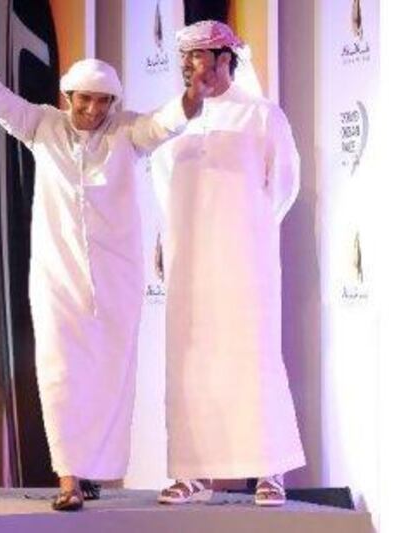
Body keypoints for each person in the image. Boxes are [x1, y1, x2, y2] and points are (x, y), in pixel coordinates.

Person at [0, 7, 211, 511]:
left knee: (107, 376)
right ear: (67, 98)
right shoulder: (42, 125)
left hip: (116, 278)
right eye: (85, 101)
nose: (93, 111)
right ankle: (69, 478)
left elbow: (167, 122)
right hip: (56, 276)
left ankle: (95, 469)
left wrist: (193, 95)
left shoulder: (128, 132)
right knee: (59, 372)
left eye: (103, 102)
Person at [152, 20, 305, 507]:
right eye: (187, 59)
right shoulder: (172, 118)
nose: (193, 68)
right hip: (188, 260)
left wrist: (247, 232)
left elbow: (282, 186)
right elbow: (161, 187)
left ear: (225, 60)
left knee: (251, 357)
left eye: (202, 58)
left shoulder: (262, 116)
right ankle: (192, 471)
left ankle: (269, 469)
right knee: (190, 362)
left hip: (244, 260)